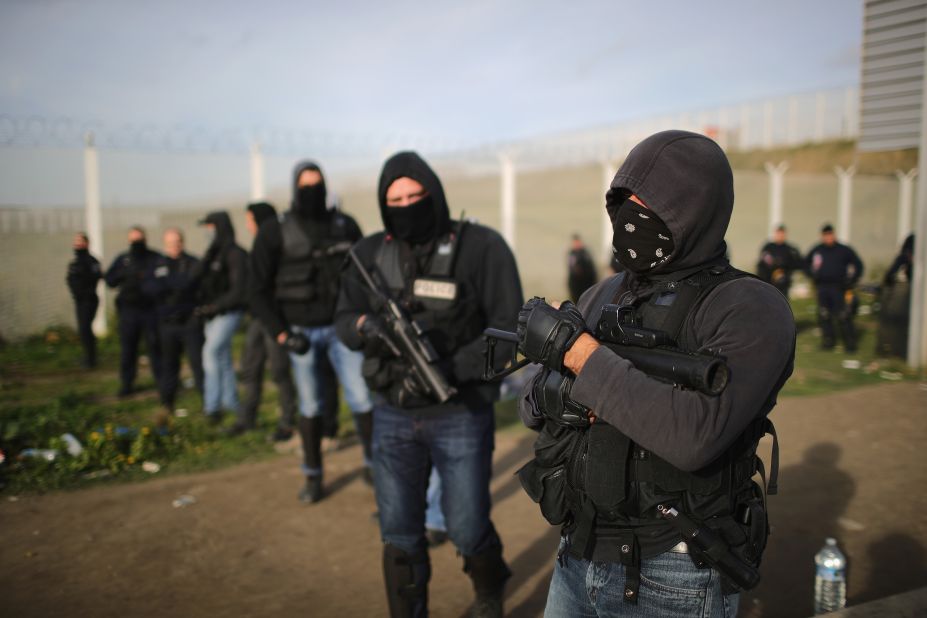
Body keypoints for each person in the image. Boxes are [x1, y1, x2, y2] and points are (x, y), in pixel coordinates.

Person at [515, 131, 795, 616]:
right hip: (578, 552)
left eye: (651, 204)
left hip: (674, 570)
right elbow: (533, 410)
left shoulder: (750, 307)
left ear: (698, 212)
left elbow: (694, 435)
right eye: (625, 201)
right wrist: (549, 391)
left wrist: (579, 357)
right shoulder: (602, 294)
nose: (632, 216)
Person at [335, 151, 523, 618]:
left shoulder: (482, 247)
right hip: (393, 415)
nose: (405, 205)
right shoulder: (368, 254)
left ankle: (489, 586)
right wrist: (364, 326)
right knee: (399, 532)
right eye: (394, 199)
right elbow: (341, 318)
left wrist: (450, 368)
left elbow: (509, 329)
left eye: (414, 195)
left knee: (465, 525)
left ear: (434, 193)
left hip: (460, 412)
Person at [250, 161, 373, 503]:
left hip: (342, 329)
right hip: (300, 333)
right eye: (306, 186)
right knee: (311, 405)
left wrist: (363, 319)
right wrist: (281, 334)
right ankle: (314, 476)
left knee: (361, 398)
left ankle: (372, 465)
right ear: (294, 189)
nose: (313, 191)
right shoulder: (275, 231)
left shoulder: (344, 225)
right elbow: (256, 289)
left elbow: (367, 275)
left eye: (317, 184)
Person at [232, 202, 299, 440]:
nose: (248, 225)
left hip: (275, 320)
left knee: (280, 372)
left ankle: (287, 423)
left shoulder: (277, 246)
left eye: (250, 220)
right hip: (258, 319)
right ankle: (246, 418)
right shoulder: (259, 245)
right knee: (250, 369)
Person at [144, 228, 204, 416]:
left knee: (198, 364)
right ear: (164, 244)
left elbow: (194, 285)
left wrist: (170, 284)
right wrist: (175, 285)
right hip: (167, 323)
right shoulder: (157, 264)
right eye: (170, 243)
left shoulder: (193, 262)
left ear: (183, 242)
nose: (174, 246)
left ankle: (208, 404)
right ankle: (166, 403)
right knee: (169, 365)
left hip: (190, 322)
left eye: (177, 242)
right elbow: (149, 288)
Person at [196, 211, 248, 425]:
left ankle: (212, 406)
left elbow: (238, 290)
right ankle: (231, 402)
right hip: (212, 314)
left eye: (210, 227)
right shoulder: (213, 253)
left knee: (210, 353)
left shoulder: (235, 254)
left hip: (227, 313)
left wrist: (216, 306)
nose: (207, 232)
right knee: (223, 358)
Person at [104, 226, 163, 396]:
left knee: (155, 347)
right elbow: (110, 280)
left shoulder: (155, 258)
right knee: (128, 349)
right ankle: (127, 384)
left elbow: (163, 279)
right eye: (133, 240)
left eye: (140, 240)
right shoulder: (123, 260)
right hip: (129, 312)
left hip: (150, 311)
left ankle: (161, 382)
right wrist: (126, 274)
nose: (137, 244)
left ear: (146, 239)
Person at [805, 224, 864, 352]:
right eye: (826, 235)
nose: (828, 238)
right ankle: (828, 341)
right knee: (824, 315)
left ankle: (850, 343)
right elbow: (805, 263)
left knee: (843, 315)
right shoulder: (818, 250)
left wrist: (851, 281)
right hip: (822, 287)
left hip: (838, 287)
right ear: (822, 236)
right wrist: (812, 276)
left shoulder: (843, 250)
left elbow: (858, 265)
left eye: (830, 235)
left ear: (834, 235)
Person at [66, 231, 102, 369]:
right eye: (76, 242)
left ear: (86, 243)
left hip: (89, 300)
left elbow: (96, 277)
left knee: (85, 328)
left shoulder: (92, 261)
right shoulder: (74, 263)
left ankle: (91, 359)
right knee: (83, 329)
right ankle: (87, 357)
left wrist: (83, 290)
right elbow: (70, 279)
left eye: (80, 242)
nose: (77, 244)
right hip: (79, 301)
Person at [756, 224, 804, 297]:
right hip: (769, 283)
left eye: (782, 233)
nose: (780, 235)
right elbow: (762, 264)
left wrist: (783, 271)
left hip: (784, 284)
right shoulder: (768, 247)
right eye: (778, 233)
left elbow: (798, 264)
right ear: (775, 234)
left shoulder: (790, 249)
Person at [567, 233, 598, 302]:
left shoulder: (585, 253)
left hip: (586, 282)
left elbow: (591, 269)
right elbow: (571, 268)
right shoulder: (572, 253)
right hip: (576, 283)